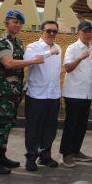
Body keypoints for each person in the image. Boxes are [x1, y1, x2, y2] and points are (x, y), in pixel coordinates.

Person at [0, 10, 44, 175]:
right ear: (6, 23)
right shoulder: (2, 42)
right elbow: (9, 63)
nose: (17, 25)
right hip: (4, 92)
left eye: (19, 23)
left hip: (14, 92)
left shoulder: (17, 42)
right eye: (14, 22)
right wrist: (34, 60)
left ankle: (1, 156)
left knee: (7, 125)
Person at [23, 21, 62, 171]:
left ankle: (45, 156)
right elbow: (31, 61)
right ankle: (31, 157)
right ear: (41, 32)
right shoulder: (33, 47)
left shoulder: (58, 47)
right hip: (36, 95)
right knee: (33, 128)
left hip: (53, 95)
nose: (52, 34)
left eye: (54, 31)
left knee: (50, 128)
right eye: (49, 31)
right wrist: (49, 52)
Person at [59, 21, 92, 168]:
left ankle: (75, 151)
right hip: (73, 93)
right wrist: (80, 57)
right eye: (85, 31)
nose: (88, 34)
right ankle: (66, 154)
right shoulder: (72, 48)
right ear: (78, 32)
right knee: (71, 124)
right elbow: (68, 68)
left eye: (89, 31)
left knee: (82, 125)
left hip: (87, 94)